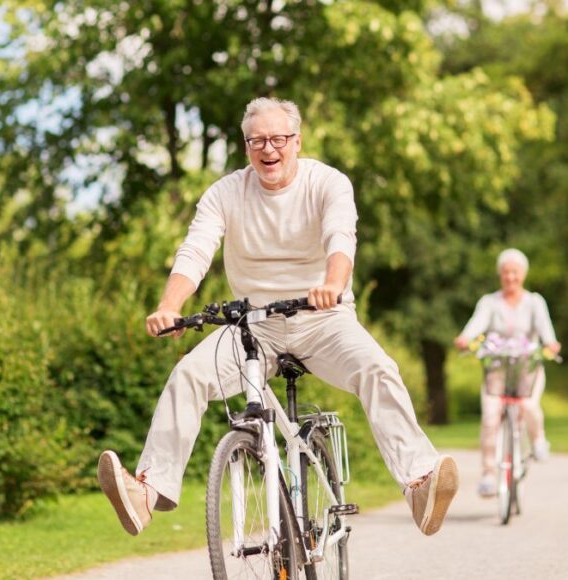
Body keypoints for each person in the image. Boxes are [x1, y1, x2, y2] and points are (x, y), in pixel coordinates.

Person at [97, 97, 459, 537]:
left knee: (378, 368)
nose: (268, 149)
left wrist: (332, 283)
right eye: (257, 141)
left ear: (297, 141)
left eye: (278, 139)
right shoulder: (225, 192)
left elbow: (341, 237)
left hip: (323, 319)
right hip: (253, 325)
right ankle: (146, 493)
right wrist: (169, 306)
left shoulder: (327, 182)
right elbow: (195, 251)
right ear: (246, 146)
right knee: (188, 375)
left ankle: (419, 483)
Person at [454, 248, 561, 497]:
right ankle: (489, 475)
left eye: (515, 272)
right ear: (500, 275)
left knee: (528, 405)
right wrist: (465, 338)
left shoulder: (535, 302)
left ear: (523, 274)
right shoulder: (489, 302)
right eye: (505, 272)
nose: (510, 277)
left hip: (527, 368)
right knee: (490, 416)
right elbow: (476, 324)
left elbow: (546, 331)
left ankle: (537, 440)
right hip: (498, 369)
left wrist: (551, 344)